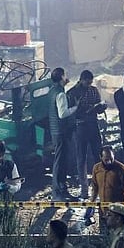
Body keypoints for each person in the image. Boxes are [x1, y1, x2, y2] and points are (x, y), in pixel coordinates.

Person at [67, 70, 106, 199]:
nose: (89, 84)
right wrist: (84, 109)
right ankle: (84, 190)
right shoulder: (72, 92)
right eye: (87, 82)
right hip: (80, 127)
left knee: (98, 156)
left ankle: (99, 186)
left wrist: (100, 107)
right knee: (81, 158)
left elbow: (99, 108)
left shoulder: (94, 90)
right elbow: (70, 112)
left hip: (93, 125)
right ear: (81, 79)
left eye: (90, 82)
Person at [48, 67, 77, 201]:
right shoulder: (60, 94)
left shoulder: (52, 90)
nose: (67, 77)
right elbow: (63, 113)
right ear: (61, 77)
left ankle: (61, 189)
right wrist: (76, 107)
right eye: (65, 75)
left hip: (56, 131)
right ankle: (57, 192)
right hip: (61, 132)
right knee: (60, 162)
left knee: (61, 161)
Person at [87, 146, 124, 229]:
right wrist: (91, 205)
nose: (109, 162)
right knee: (104, 236)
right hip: (103, 211)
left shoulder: (121, 169)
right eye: (106, 159)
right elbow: (95, 187)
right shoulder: (96, 168)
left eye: (111, 159)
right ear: (101, 157)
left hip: (116, 213)